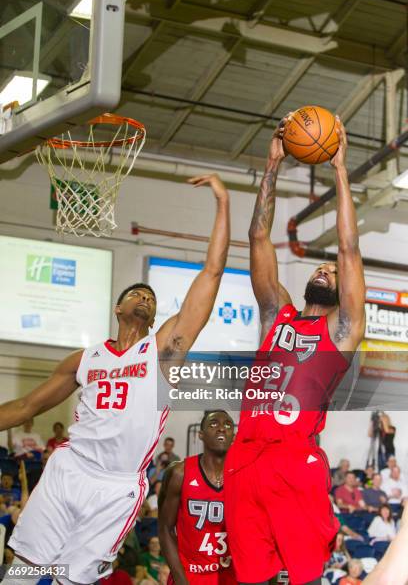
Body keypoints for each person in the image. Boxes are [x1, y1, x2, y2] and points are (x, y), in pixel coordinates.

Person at [0, 173, 230, 585]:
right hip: (70, 468)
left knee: (72, 578)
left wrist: (222, 205)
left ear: (155, 318)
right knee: (26, 569)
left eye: (151, 299)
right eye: (136, 295)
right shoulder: (83, 359)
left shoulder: (161, 353)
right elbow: (25, 407)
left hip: (117, 485)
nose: (144, 298)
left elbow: (210, 276)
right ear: (118, 308)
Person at [224, 117, 366, 585]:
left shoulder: (342, 329)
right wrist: (271, 166)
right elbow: (258, 240)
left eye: (332, 270)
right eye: (319, 267)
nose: (327, 270)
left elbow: (348, 249)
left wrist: (341, 170)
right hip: (244, 459)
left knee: (304, 576)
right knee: (250, 578)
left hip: (293, 460)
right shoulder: (277, 315)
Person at [159, 410, 237, 584]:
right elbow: (165, 528)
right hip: (189, 574)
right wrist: (180, 579)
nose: (222, 428)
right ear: (200, 434)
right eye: (213, 423)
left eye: (228, 424)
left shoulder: (245, 475)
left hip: (230, 575)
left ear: (234, 435)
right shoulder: (179, 473)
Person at [362, 503, 408, 584]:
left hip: (390, 542)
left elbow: (394, 535)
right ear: (380, 512)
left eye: (387, 510)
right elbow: (370, 533)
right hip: (378, 541)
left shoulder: (392, 522)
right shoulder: (377, 519)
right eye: (383, 510)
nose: (385, 512)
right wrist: (384, 536)